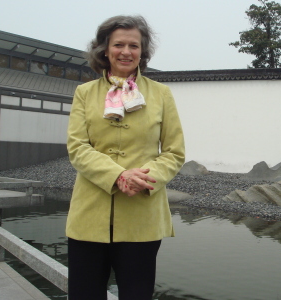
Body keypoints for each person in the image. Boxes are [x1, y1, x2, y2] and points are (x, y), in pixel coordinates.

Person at [65, 15, 185, 300]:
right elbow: (77, 147)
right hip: (88, 216)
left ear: (142, 52)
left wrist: (142, 177)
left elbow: (174, 152)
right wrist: (118, 175)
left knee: (137, 294)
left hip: (142, 213)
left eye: (134, 45)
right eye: (118, 44)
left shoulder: (161, 94)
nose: (126, 51)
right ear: (104, 49)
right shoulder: (84, 93)